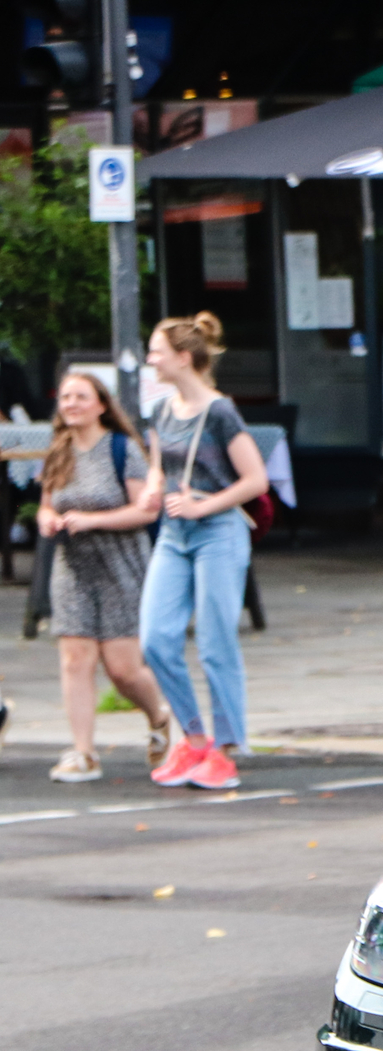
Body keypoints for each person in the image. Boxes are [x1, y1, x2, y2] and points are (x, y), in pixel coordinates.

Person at [139, 312, 270, 791]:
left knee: (216, 642)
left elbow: (255, 479)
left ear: (183, 358)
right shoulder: (160, 410)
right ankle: (194, 737)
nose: (150, 358)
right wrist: (152, 490)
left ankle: (226, 748)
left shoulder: (220, 412)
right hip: (174, 534)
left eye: (156, 351)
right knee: (155, 638)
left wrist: (203, 505)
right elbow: (158, 466)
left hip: (217, 531)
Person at [38, 369, 175, 783]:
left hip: (121, 565)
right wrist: (48, 520)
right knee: (75, 659)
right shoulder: (58, 450)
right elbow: (47, 504)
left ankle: (160, 716)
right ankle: (84, 753)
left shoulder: (122, 449)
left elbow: (146, 510)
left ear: (101, 404)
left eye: (80, 397)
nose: (71, 404)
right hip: (73, 568)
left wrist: (95, 520)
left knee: (123, 670)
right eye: (65, 398)